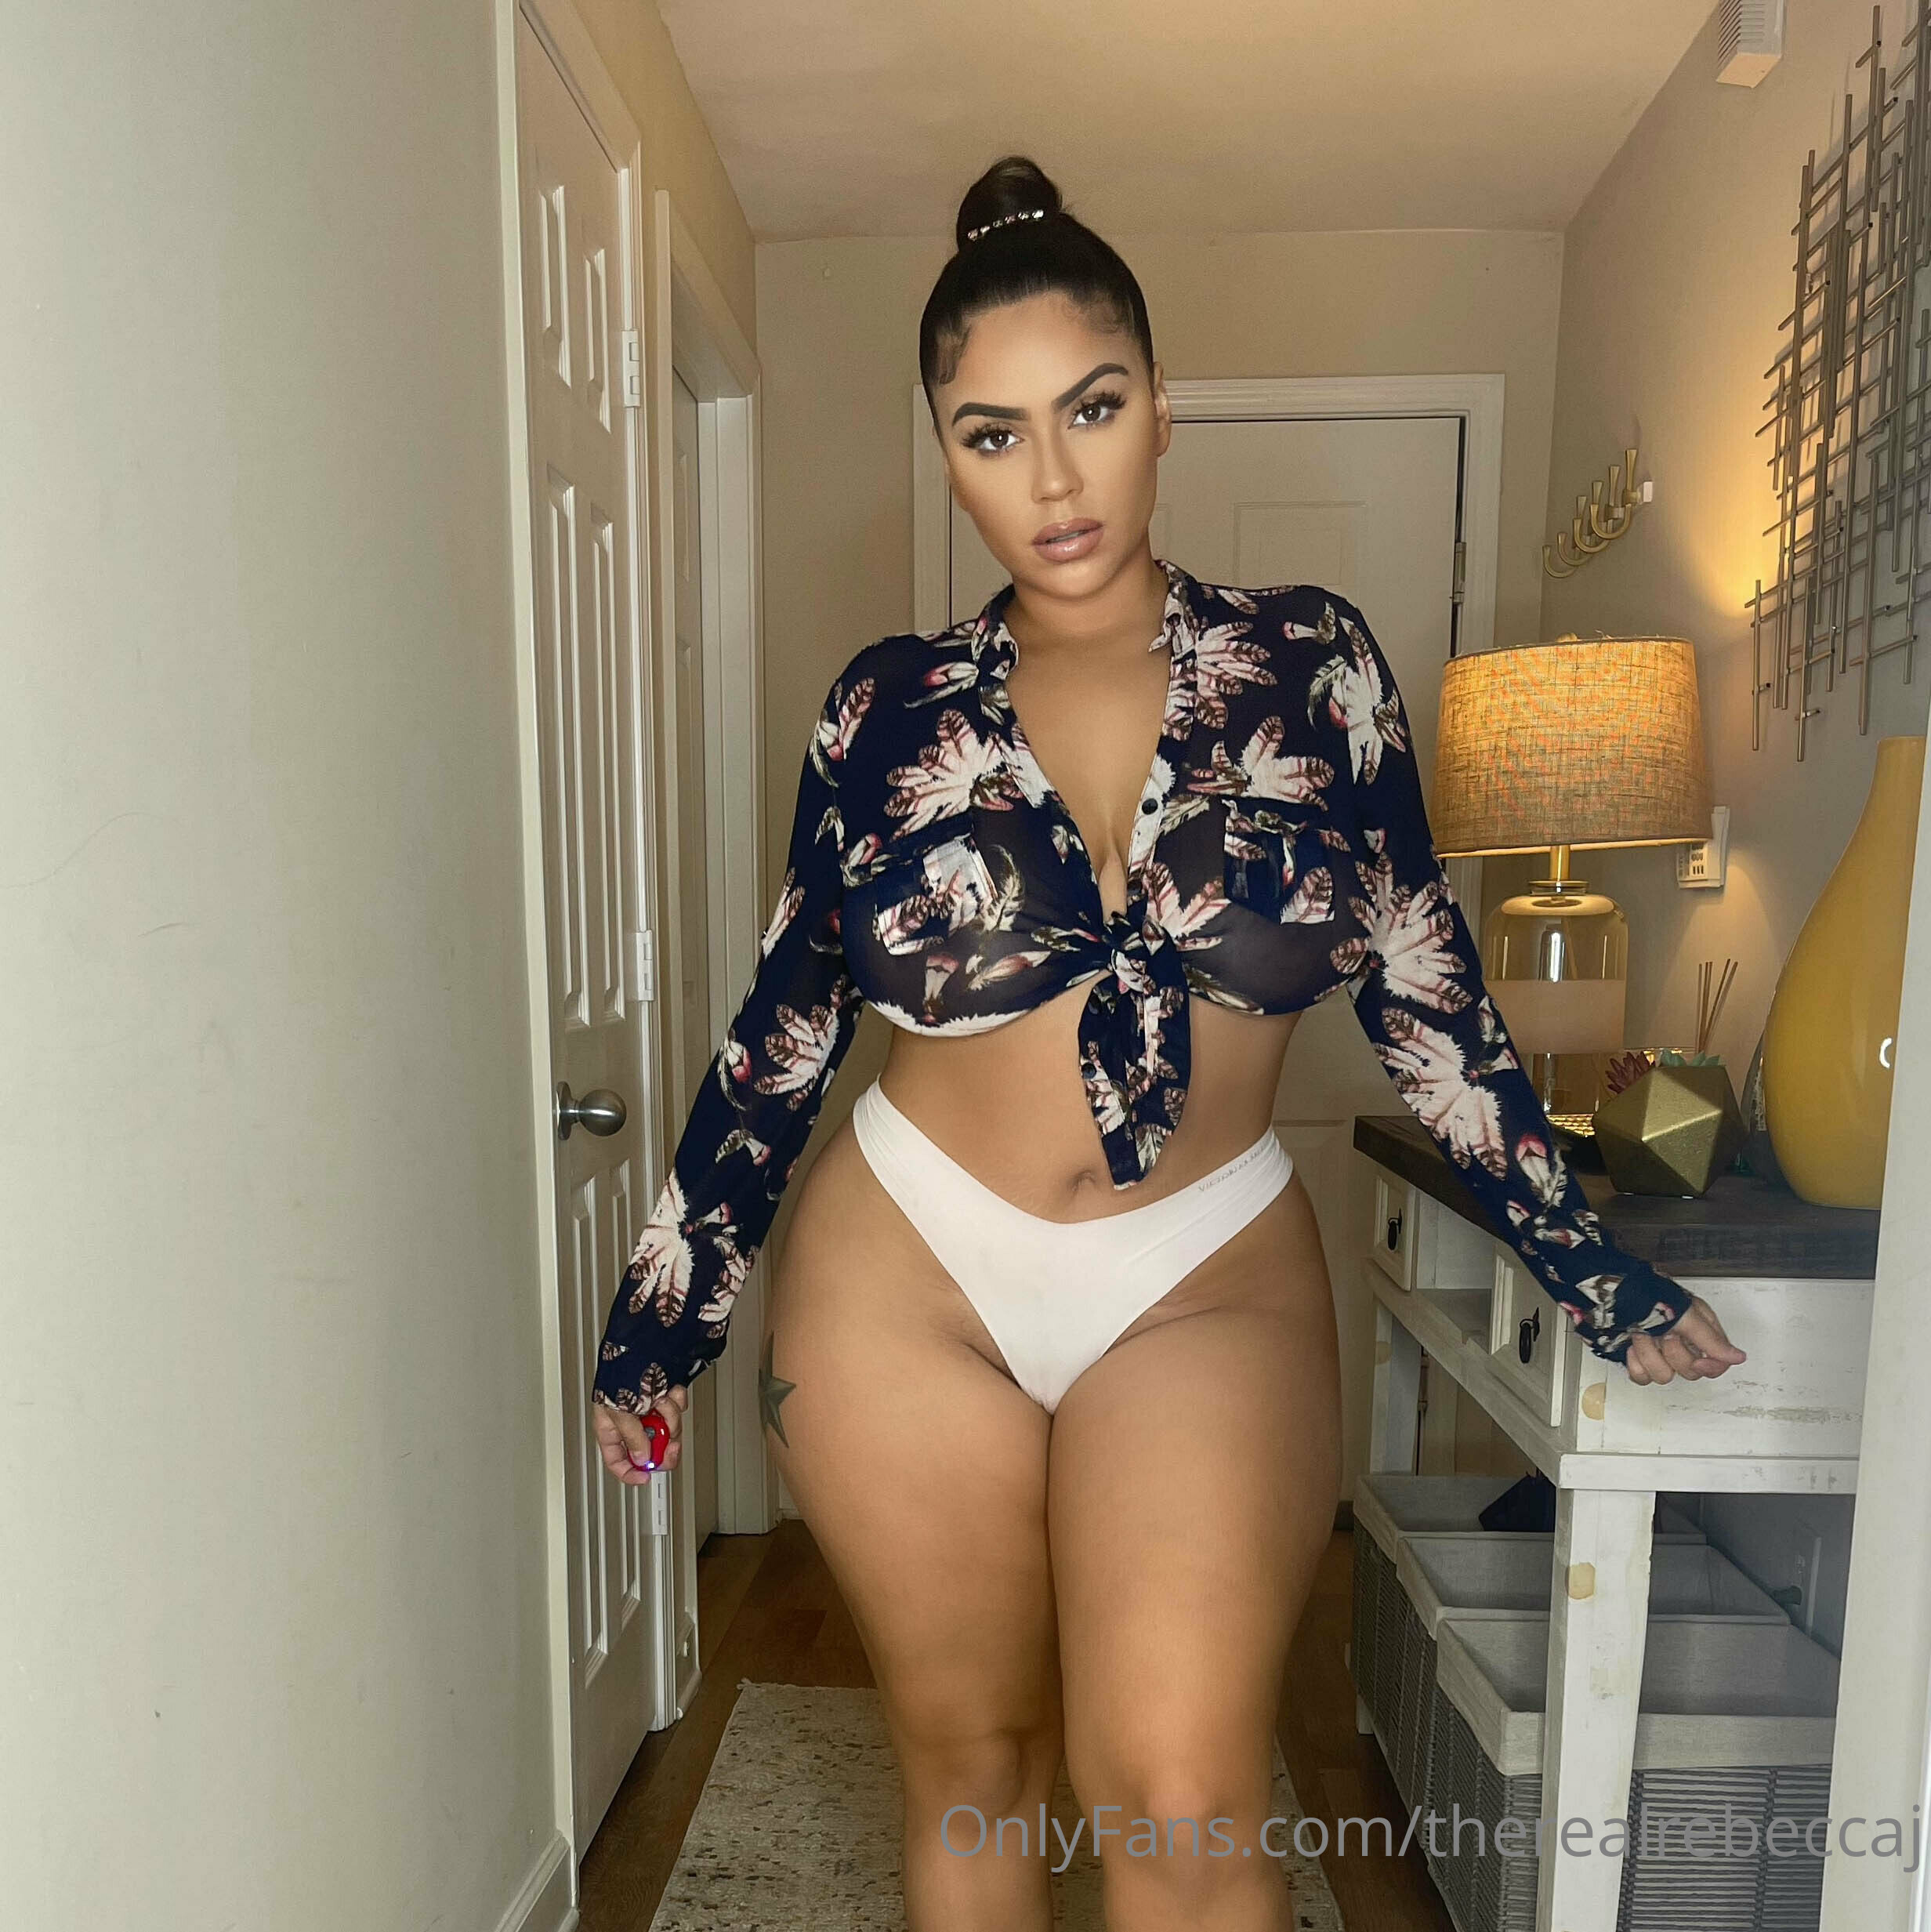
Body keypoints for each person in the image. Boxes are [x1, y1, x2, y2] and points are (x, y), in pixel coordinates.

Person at [589, 154, 1746, 1931]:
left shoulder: (1312, 669)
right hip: (907, 1274)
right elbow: (787, 1026)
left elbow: (1425, 988)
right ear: (944, 452)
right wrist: (664, 1316)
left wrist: (1589, 1264)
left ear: (1160, 406)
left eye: (1092, 407)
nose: (1051, 480)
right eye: (990, 434)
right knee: (972, 1769)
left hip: (1199, 1274)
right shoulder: (881, 708)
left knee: (1186, 1799)